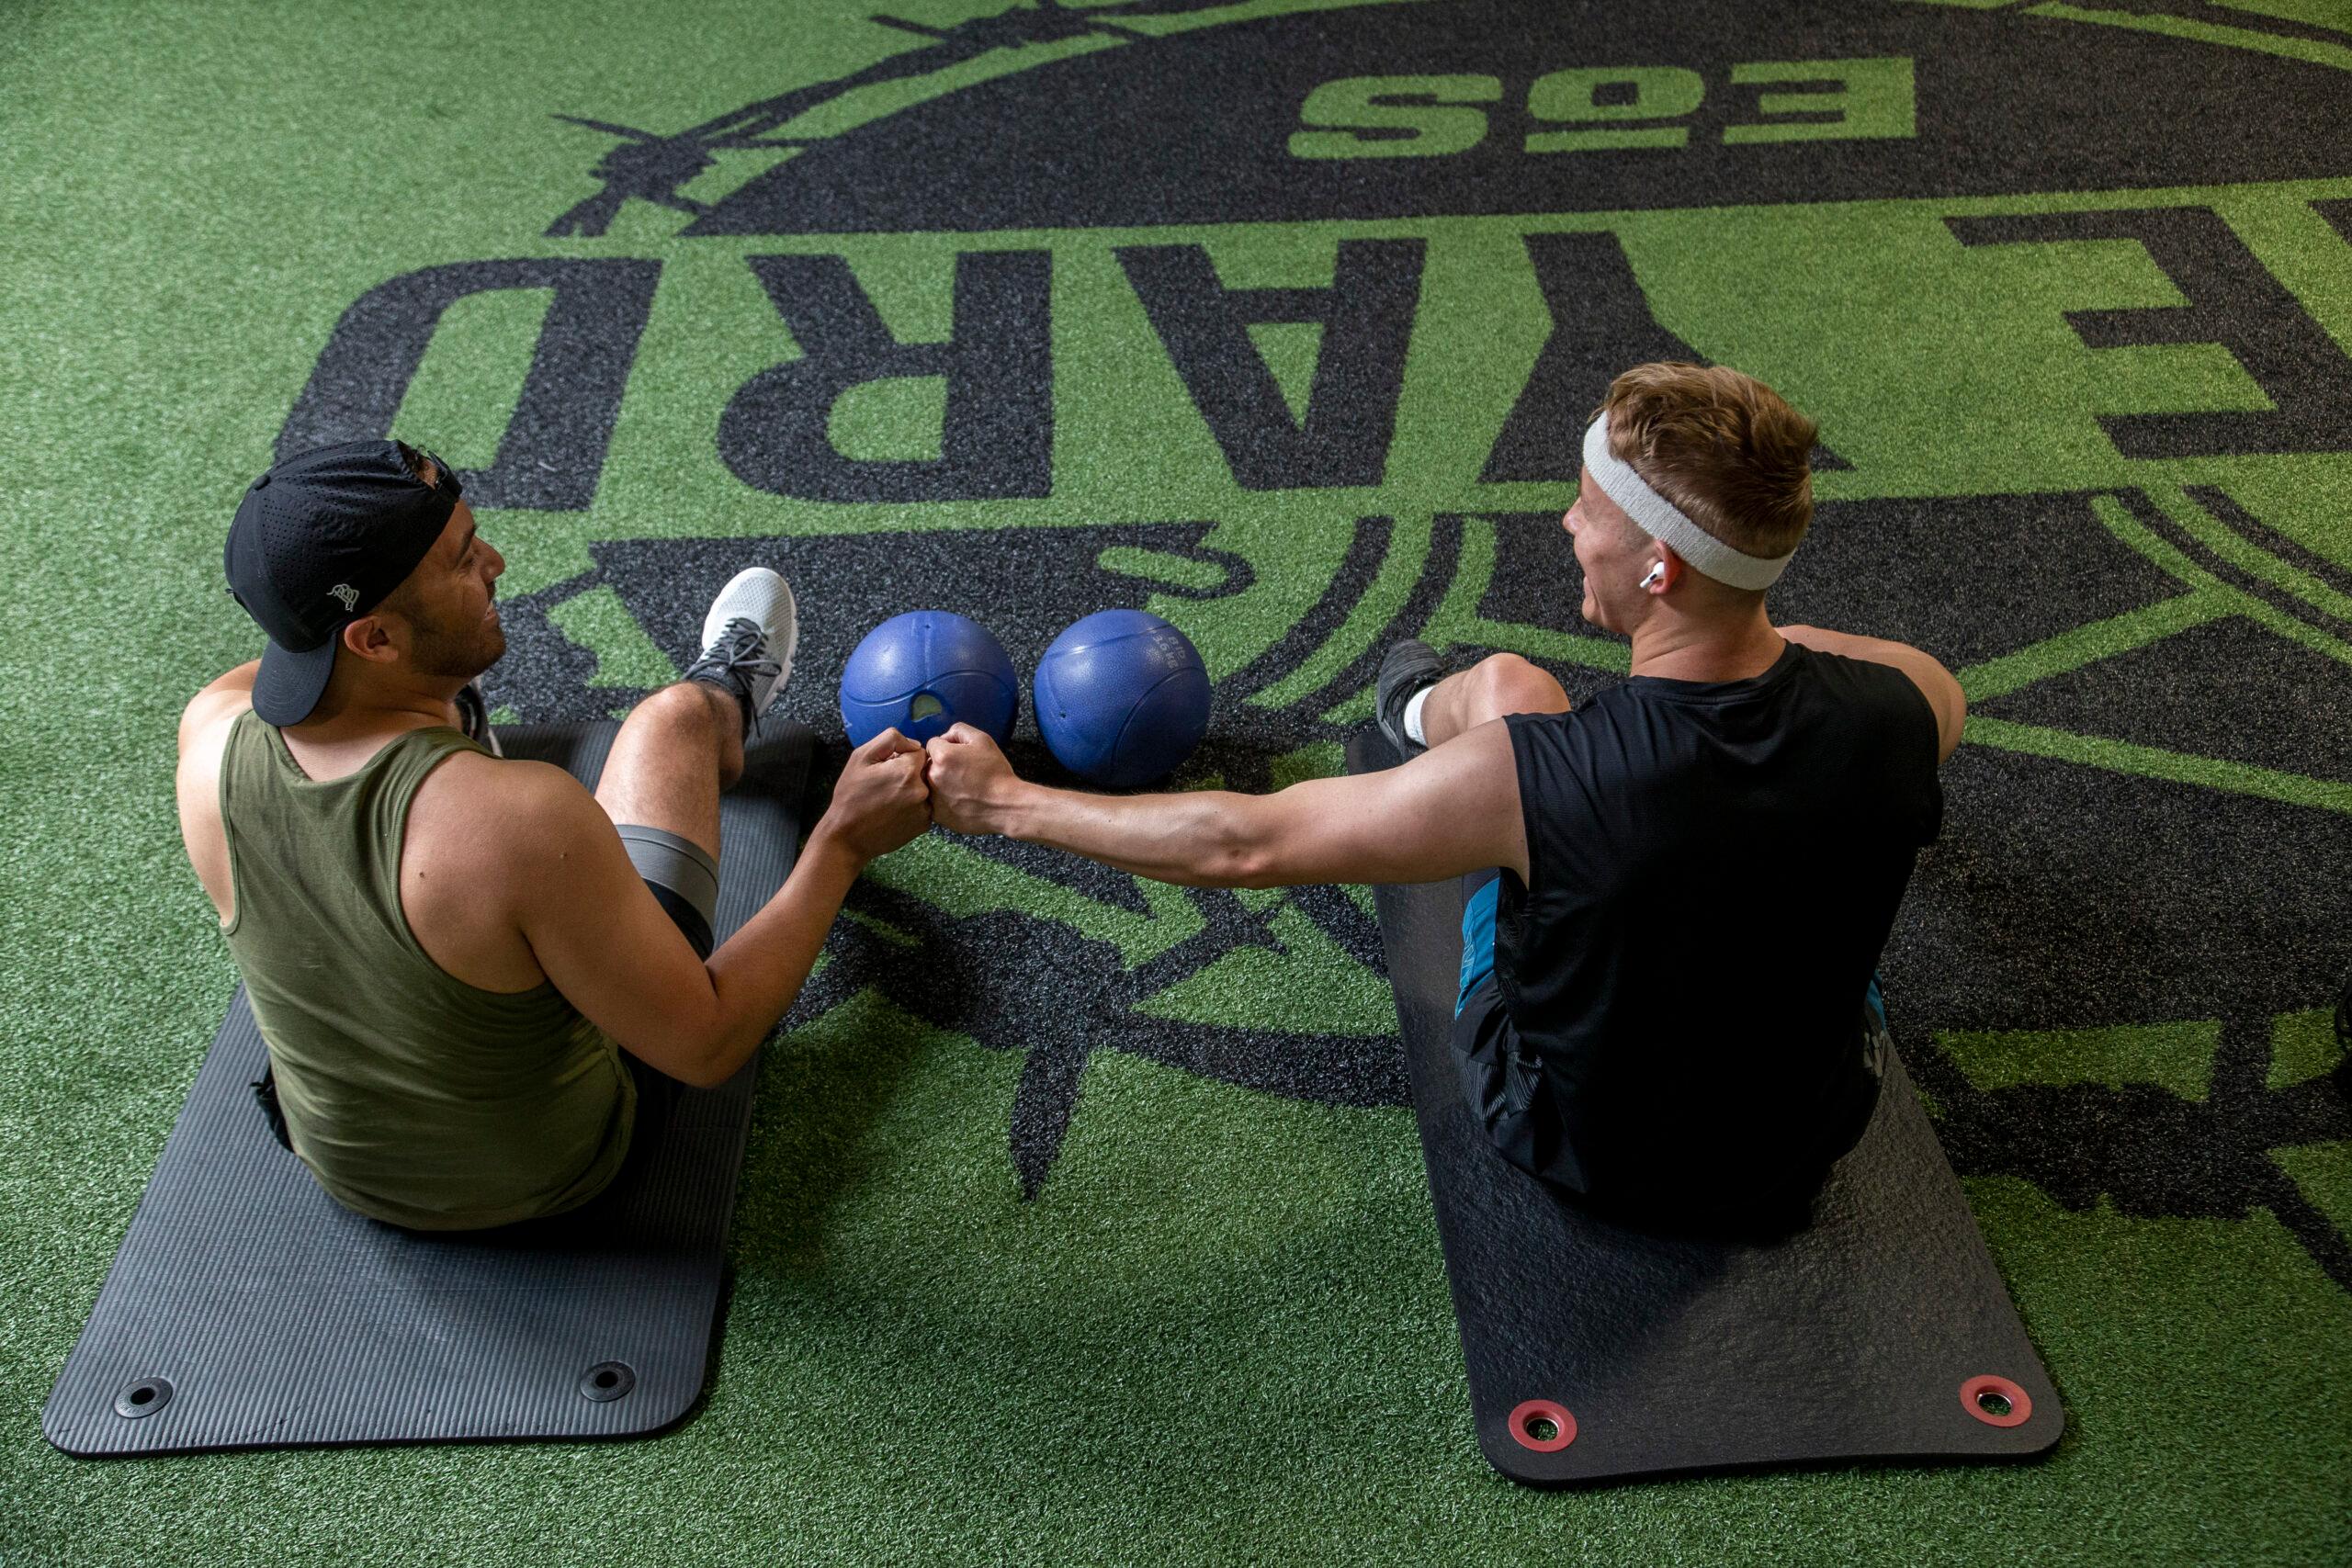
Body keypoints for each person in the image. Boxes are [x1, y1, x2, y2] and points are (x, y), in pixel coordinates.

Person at [924, 363, 1965, 1221]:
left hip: (1574, 1142)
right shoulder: (1915, 703)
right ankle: (1427, 708)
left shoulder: (1531, 776)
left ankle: (1419, 707)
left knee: (1515, 687)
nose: (1566, 523)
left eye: (1590, 512)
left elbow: (1246, 845)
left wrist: (1001, 801)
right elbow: (1803, 658)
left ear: (1658, 571)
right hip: (1811, 1131)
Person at [175, 439, 932, 1230]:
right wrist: (843, 840)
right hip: (553, 1177)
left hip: (342, 1165)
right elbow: (706, 1044)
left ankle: (444, 724)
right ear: (374, 638)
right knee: (670, 722)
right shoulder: (523, 818)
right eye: (463, 560)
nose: (496, 562)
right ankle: (726, 698)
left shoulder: (210, 739)